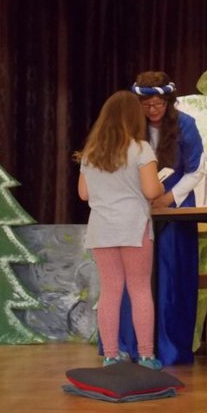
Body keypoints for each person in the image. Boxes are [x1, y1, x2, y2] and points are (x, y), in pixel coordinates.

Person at [117, 71, 205, 365]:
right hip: (137, 208)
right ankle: (131, 345)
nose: (153, 110)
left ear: (168, 102)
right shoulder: (131, 128)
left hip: (174, 209)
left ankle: (169, 348)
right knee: (135, 276)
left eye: (159, 104)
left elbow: (196, 170)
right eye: (147, 105)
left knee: (170, 276)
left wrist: (168, 198)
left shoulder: (185, 125)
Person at [76, 90, 165, 370]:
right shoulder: (140, 148)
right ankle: (146, 355)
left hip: (102, 228)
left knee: (110, 291)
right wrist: (161, 184)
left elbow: (83, 194)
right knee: (139, 290)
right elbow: (151, 190)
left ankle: (111, 355)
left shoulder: (91, 153)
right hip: (133, 226)